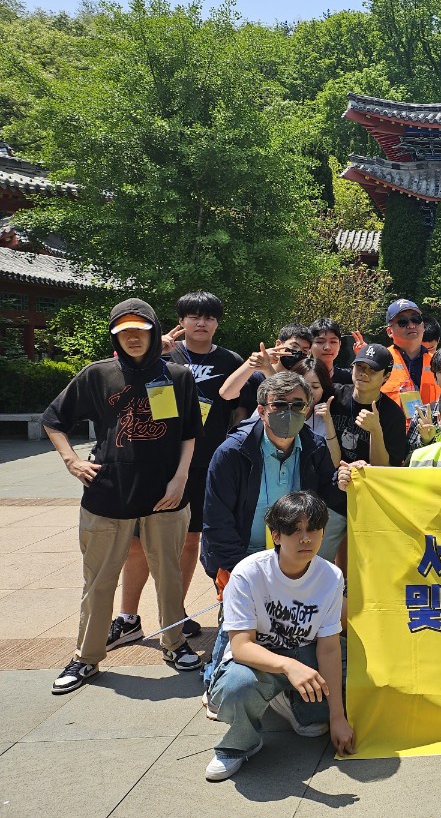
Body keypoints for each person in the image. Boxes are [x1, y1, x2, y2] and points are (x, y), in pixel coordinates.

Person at [41, 298, 204, 693]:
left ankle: (175, 643)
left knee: (168, 575)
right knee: (99, 580)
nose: (133, 337)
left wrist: (180, 479)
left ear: (153, 331)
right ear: (115, 335)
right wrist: (71, 461)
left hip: (165, 493)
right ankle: (86, 656)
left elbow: (188, 432)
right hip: (108, 492)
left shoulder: (177, 376)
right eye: (124, 331)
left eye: (140, 329)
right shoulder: (98, 374)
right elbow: (54, 419)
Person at [111, 291, 242, 648]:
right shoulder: (162, 353)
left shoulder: (230, 360)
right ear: (181, 321)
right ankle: (127, 618)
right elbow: (123, 385)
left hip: (203, 463)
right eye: (194, 316)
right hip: (154, 460)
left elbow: (241, 410)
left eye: (209, 317)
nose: (202, 323)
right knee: (137, 543)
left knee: (189, 540)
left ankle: (175, 615)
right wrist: (154, 353)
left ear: (217, 322)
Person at [204, 491, 354, 781]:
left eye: (313, 529)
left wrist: (337, 717)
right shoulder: (248, 573)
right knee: (236, 688)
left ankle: (290, 701)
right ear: (276, 535)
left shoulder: (331, 576)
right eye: (295, 530)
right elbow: (242, 646)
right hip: (258, 661)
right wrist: (289, 666)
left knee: (356, 679)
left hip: (307, 654)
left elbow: (329, 649)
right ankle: (239, 743)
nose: (306, 538)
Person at [201, 371, 347, 592]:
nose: (289, 411)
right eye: (279, 405)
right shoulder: (232, 453)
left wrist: (342, 482)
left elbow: (328, 495)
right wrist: (243, 573)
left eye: (297, 405)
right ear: (261, 411)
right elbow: (217, 522)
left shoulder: (315, 447)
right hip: (241, 562)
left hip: (294, 561)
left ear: (306, 409)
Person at [328, 343, 409, 468]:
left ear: (386, 376)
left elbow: (386, 468)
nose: (364, 373)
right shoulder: (333, 396)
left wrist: (375, 430)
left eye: (373, 370)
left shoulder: (393, 415)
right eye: (359, 366)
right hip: (332, 475)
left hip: (369, 478)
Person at [228, 324, 314, 420]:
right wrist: (251, 363)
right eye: (294, 346)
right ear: (278, 344)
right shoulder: (256, 378)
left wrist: (268, 369)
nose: (297, 353)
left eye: (304, 351)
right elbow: (227, 394)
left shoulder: (302, 383)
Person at [379, 298, 440, 408]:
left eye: (416, 319)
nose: (411, 325)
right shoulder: (380, 361)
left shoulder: (439, 363)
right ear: (389, 331)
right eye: (403, 322)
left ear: (423, 326)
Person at [310, 318, 352, 384]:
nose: (327, 347)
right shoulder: (300, 377)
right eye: (320, 342)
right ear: (310, 345)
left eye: (333, 342)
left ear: (339, 344)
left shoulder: (349, 377)